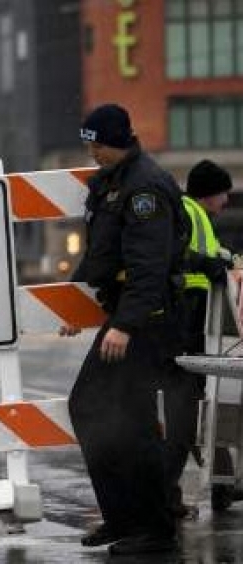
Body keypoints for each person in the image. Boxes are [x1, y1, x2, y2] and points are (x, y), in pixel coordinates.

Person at [61, 103, 188, 556]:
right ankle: (126, 519)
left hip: (144, 323)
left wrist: (125, 326)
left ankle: (152, 529)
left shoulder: (144, 189)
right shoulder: (113, 183)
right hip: (125, 319)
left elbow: (149, 268)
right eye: (88, 143)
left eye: (97, 143)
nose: (92, 151)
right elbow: (102, 255)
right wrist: (71, 302)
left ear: (117, 140)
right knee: (106, 414)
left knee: (113, 416)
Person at [166, 160, 235, 517]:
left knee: (195, 401)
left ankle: (222, 482)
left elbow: (213, 256)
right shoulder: (188, 213)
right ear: (210, 193)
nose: (227, 200)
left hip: (191, 316)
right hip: (186, 316)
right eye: (224, 193)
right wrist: (208, 267)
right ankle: (215, 484)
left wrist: (226, 262)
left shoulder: (197, 216)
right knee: (190, 403)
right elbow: (176, 254)